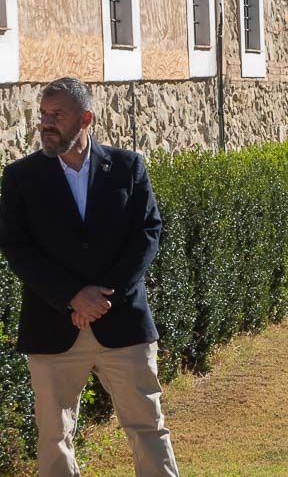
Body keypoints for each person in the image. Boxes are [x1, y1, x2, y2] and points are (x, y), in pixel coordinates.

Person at [0, 77, 179, 477]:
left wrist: (102, 298)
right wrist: (72, 297)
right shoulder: (20, 177)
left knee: (147, 426)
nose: (46, 123)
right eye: (43, 115)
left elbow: (148, 232)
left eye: (57, 115)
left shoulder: (127, 166)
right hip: (52, 326)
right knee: (52, 437)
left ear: (85, 118)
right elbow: (17, 248)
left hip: (123, 323)